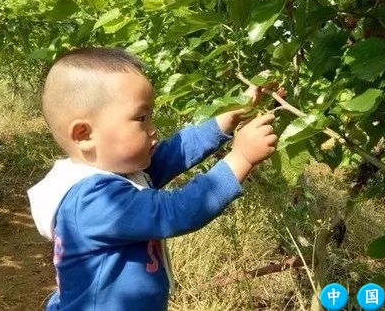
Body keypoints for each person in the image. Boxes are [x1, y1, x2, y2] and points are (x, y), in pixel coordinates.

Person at [27, 47, 277, 310]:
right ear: (84, 134)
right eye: (141, 118)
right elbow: (175, 211)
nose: (153, 129)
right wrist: (241, 158)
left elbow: (175, 152)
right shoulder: (94, 201)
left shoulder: (118, 173)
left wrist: (227, 117)